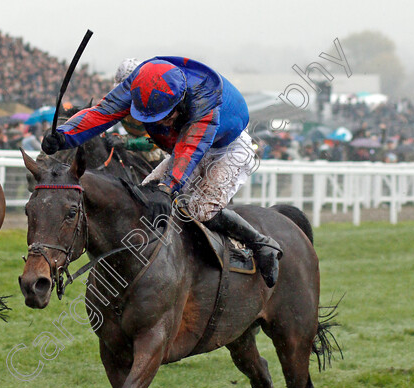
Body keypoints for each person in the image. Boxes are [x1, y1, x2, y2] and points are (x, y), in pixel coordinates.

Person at [41, 56, 282, 287]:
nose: (161, 123)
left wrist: (167, 188)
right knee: (144, 196)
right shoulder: (138, 85)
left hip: (228, 148)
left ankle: (262, 244)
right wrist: (64, 135)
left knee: (202, 208)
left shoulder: (204, 101)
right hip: (185, 145)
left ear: (181, 100)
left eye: (167, 115)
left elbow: (190, 150)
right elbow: (100, 114)